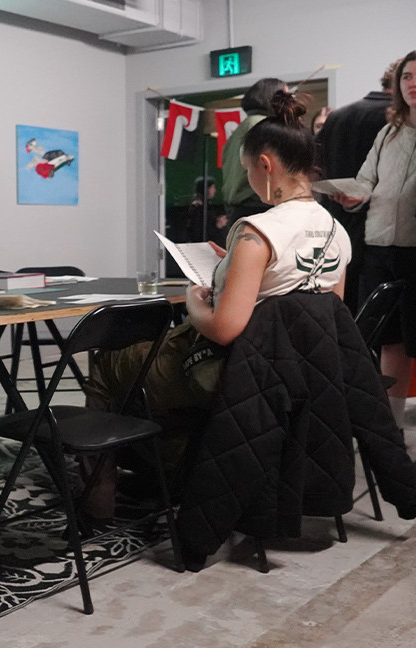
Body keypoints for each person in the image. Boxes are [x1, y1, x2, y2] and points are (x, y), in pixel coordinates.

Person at [84, 90, 351, 516]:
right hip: (300, 375)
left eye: (247, 170)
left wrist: (195, 300)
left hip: (239, 374)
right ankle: (179, 474)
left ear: (265, 164)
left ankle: (100, 499)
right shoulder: (337, 231)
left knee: (108, 367)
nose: (248, 180)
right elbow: (325, 313)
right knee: (159, 383)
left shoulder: (257, 230)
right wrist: (238, 267)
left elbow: (224, 329)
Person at [333, 48, 416, 430]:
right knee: (387, 339)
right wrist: (353, 196)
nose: (413, 83)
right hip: (379, 244)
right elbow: (366, 181)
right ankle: (391, 428)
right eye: (407, 76)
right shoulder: (388, 131)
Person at [316, 59, 399, 310]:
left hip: (335, 223)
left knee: (342, 303)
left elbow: (317, 165)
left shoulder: (338, 115)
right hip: (380, 230)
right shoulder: (396, 119)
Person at [220, 77, 288, 232]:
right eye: (286, 96)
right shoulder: (264, 126)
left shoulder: (243, 127)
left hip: (239, 209)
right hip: (258, 207)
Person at [186, 176, 228, 245]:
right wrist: (217, 226)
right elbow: (198, 232)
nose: (214, 190)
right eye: (212, 187)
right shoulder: (198, 208)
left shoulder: (206, 205)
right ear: (205, 189)